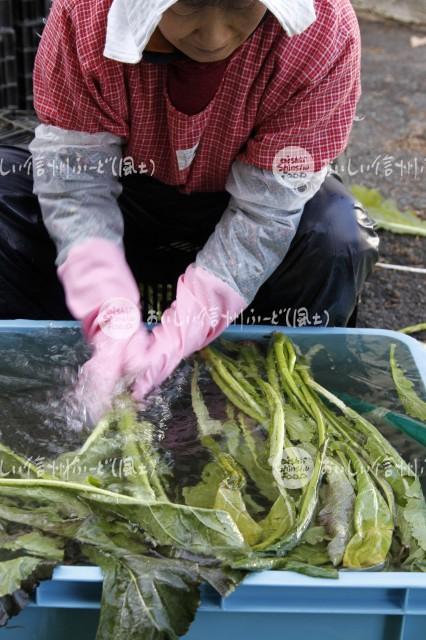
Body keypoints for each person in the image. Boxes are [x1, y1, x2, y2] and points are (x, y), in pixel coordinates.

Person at [0, 0, 379, 423]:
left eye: (239, 6)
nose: (214, 36)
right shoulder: (86, 14)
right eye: (188, 7)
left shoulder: (322, 29)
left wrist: (187, 326)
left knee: (336, 236)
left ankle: (252, 403)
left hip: (233, 204)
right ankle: (66, 374)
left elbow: (265, 213)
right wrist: (106, 307)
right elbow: (77, 184)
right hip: (131, 197)